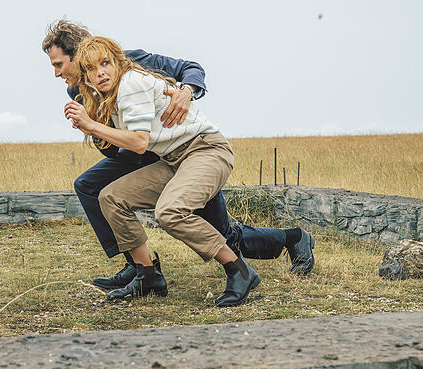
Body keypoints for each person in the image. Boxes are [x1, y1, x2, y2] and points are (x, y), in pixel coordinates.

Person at [42, 20, 314, 304]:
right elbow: (114, 149)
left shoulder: (130, 68)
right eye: (91, 69)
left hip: (197, 149)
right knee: (101, 192)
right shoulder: (84, 92)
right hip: (164, 156)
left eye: (59, 64)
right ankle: (145, 273)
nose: (57, 73)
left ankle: (274, 249)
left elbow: (188, 71)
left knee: (200, 223)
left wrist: (186, 91)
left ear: (81, 55)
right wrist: (92, 128)